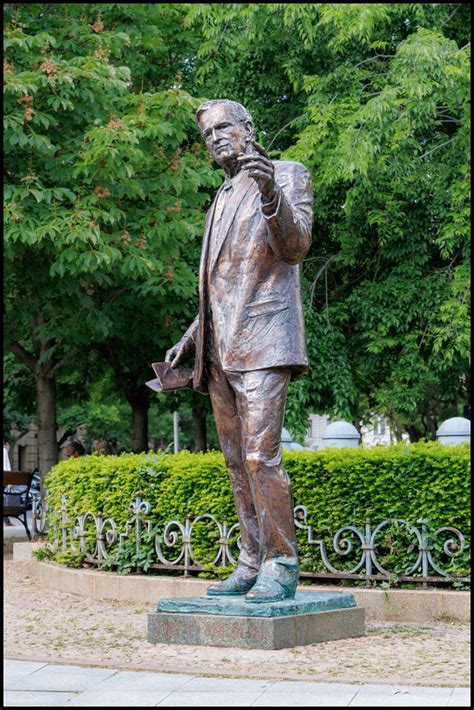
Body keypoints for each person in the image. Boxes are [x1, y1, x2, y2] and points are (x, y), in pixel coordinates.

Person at [165, 99, 312, 602]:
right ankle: (251, 560)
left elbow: (295, 246)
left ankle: (282, 563)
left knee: (259, 456)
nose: (215, 139)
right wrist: (191, 337)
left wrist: (270, 190)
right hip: (219, 349)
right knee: (234, 460)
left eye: (223, 128)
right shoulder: (221, 198)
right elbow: (221, 286)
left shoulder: (287, 174)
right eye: (208, 134)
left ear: (249, 129)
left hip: (266, 338)